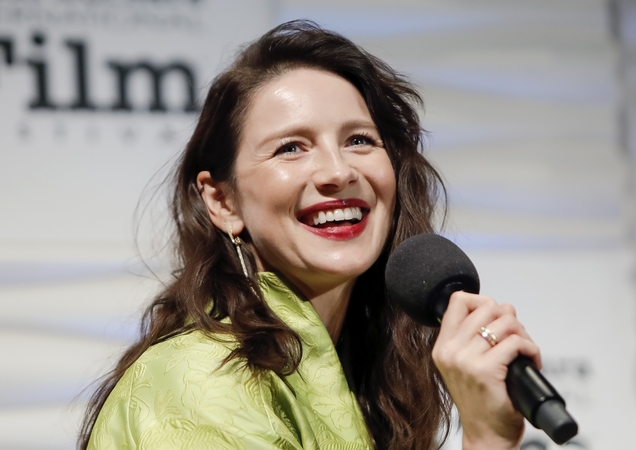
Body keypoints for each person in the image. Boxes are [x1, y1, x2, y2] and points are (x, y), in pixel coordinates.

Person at [79, 20, 541, 450]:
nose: (338, 172)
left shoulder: (366, 380)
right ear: (223, 202)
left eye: (359, 140)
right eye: (291, 148)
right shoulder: (198, 381)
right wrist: (483, 438)